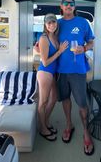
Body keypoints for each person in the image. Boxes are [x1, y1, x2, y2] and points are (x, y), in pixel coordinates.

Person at [57, 0, 95, 155]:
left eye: (71, 4)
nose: (68, 5)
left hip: (78, 70)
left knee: (82, 103)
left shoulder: (83, 22)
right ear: (61, 6)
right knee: (65, 99)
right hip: (60, 70)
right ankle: (68, 125)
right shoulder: (56, 24)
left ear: (74, 7)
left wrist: (85, 49)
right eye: (65, 3)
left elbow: (92, 41)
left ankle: (86, 131)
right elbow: (46, 39)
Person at [37, 13, 68, 141]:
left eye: (53, 22)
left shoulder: (55, 37)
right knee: (43, 102)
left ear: (56, 23)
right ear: (45, 24)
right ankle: (43, 129)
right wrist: (60, 51)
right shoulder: (44, 38)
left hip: (53, 72)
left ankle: (46, 121)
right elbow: (45, 62)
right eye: (48, 23)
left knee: (54, 98)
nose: (51, 25)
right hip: (45, 72)